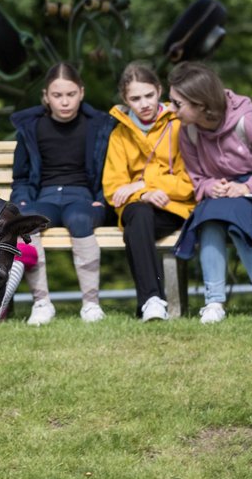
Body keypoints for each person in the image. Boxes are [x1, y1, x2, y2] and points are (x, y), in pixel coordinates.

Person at [169, 62, 252, 323]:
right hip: (225, 199)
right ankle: (214, 303)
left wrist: (247, 186)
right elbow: (197, 178)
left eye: (177, 103)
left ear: (200, 104)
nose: (171, 110)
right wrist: (210, 186)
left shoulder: (248, 122)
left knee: (236, 217)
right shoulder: (189, 131)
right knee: (209, 220)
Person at [10, 63, 116, 324]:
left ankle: (91, 304)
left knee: (80, 220)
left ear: (81, 92)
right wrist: (22, 202)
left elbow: (111, 167)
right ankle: (42, 302)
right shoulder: (31, 128)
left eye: (70, 94)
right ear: (46, 96)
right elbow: (21, 176)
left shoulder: (99, 126)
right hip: (44, 198)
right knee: (27, 221)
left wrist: (101, 199)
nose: (65, 102)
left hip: (83, 198)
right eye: (57, 96)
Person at [102, 62, 195, 321]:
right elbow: (114, 189)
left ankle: (150, 300)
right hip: (137, 209)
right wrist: (142, 195)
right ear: (125, 99)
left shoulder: (179, 125)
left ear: (159, 90)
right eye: (135, 98)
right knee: (139, 216)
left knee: (136, 226)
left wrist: (144, 185)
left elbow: (189, 182)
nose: (144, 103)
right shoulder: (119, 134)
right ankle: (153, 300)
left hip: (173, 206)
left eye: (148, 95)